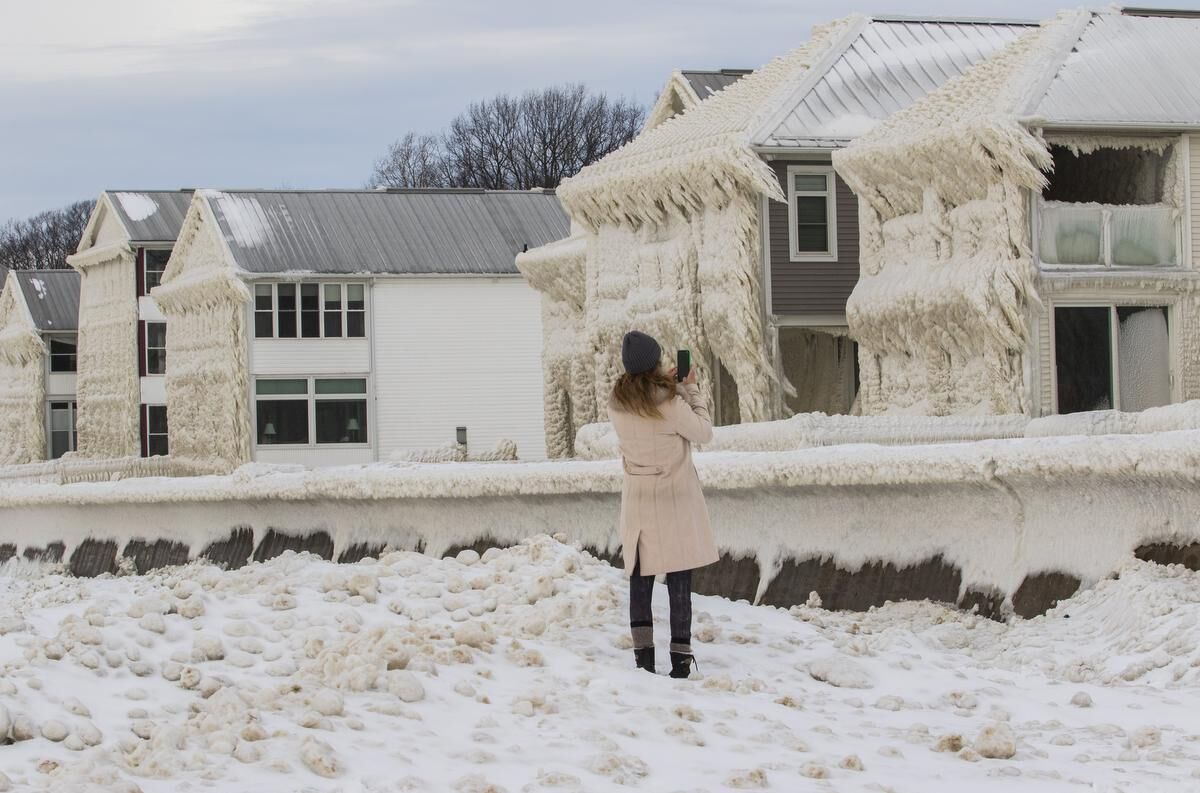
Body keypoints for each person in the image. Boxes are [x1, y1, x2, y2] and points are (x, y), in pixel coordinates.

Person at [607, 330, 718, 678]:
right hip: (674, 499)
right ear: (655, 363)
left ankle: (643, 659)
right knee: (679, 576)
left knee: (641, 578)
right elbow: (702, 431)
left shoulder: (617, 402)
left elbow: (645, 403)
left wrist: (664, 385)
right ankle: (681, 661)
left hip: (638, 502)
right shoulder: (669, 402)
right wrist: (688, 389)